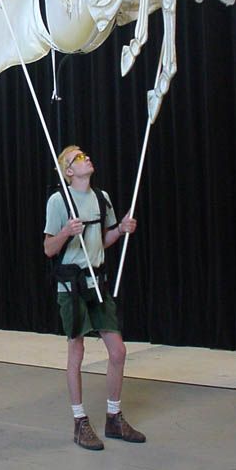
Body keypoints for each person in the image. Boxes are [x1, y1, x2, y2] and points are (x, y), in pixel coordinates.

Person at [44, 145, 146, 451]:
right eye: (78, 157)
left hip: (97, 284)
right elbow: (49, 248)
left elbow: (103, 240)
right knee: (76, 350)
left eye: (85, 154)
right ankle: (79, 422)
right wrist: (65, 232)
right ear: (69, 171)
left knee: (118, 351)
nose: (86, 157)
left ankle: (114, 417)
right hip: (72, 288)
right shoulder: (58, 201)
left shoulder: (101, 198)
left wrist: (122, 230)